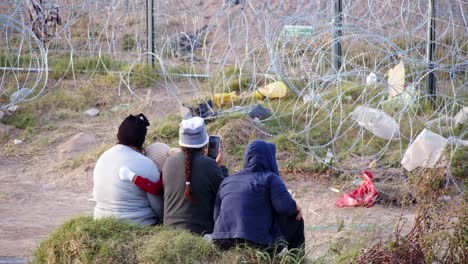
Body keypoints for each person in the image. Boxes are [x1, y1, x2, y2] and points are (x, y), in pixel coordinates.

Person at [210, 139, 305, 252]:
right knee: (296, 220)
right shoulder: (270, 178)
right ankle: (295, 258)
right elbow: (284, 207)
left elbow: (216, 215)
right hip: (256, 241)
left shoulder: (228, 180)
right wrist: (295, 207)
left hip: (221, 240)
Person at [93, 113, 163, 226]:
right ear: (141, 139)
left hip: (101, 221)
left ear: (119, 134)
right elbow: (158, 206)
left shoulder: (103, 157)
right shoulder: (146, 163)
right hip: (137, 223)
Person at [163, 116, 227, 235]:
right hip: (201, 233)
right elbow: (225, 194)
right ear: (205, 142)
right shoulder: (209, 165)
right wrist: (220, 167)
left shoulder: (168, 162)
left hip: (169, 232)